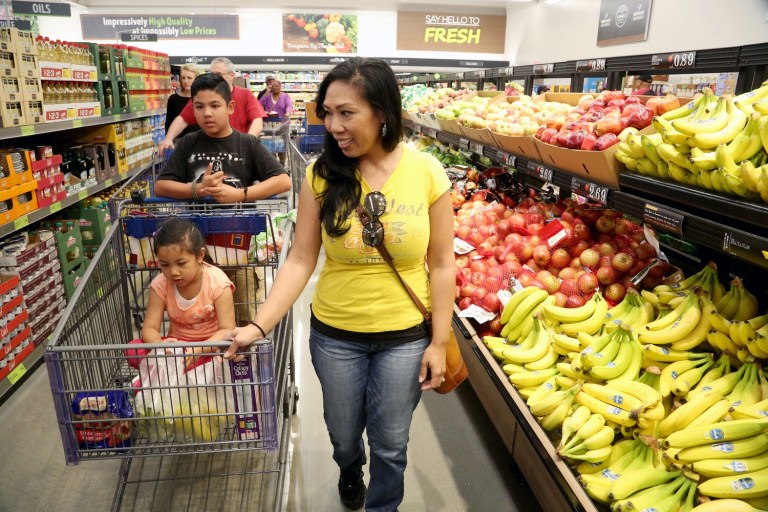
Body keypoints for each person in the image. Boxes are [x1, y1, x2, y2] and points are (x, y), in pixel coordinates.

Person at [224, 58, 454, 512]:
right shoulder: (321, 174)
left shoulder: (427, 172)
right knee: (343, 432)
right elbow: (301, 259)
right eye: (327, 113)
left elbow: (443, 264)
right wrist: (259, 325)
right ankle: (350, 469)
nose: (333, 126)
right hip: (335, 335)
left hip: (405, 335)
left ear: (382, 112)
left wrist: (440, 341)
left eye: (346, 113)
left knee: (391, 443)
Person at [154, 73, 292, 325]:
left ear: (229, 108)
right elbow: (161, 186)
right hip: (195, 254)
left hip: (237, 251)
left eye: (214, 105)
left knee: (241, 315)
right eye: (199, 106)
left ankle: (241, 360)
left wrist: (240, 194)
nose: (207, 113)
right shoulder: (187, 144)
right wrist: (197, 189)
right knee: (201, 318)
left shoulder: (246, 144)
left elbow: (283, 181)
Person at [126, 217, 235, 369]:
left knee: (235, 352)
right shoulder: (160, 284)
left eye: (181, 263)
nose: (173, 272)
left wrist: (200, 350)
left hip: (212, 346)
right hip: (176, 347)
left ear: (200, 255)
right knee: (132, 349)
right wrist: (159, 346)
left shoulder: (218, 284)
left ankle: (186, 369)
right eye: (165, 265)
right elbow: (149, 328)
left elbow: (227, 330)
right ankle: (185, 368)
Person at [158, 57, 267, 155]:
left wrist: (246, 143)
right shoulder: (203, 96)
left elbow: (257, 121)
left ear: (231, 76)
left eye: (219, 75)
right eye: (212, 74)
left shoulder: (245, 94)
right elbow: (182, 119)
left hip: (239, 151)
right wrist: (168, 138)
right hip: (211, 151)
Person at [260, 79, 293, 165]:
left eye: (276, 86)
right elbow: (259, 104)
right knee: (270, 148)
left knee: (282, 147)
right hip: (269, 125)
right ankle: (273, 165)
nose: (274, 87)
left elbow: (289, 105)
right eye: (272, 86)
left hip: (282, 125)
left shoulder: (285, 96)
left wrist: (288, 112)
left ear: (280, 87)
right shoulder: (267, 96)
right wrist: (267, 92)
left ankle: (282, 164)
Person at [164, 63, 201, 141]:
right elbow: (168, 122)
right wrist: (169, 139)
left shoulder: (202, 98)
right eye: (183, 78)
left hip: (199, 141)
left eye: (189, 78)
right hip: (179, 141)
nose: (186, 81)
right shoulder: (173, 99)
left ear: (196, 79)